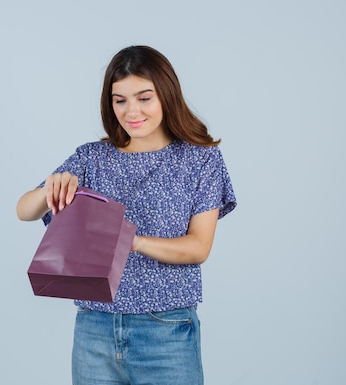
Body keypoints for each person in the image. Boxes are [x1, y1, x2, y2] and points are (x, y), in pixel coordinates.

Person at [16, 45, 237, 385]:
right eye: (120, 100)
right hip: (95, 328)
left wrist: (130, 241)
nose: (131, 110)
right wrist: (50, 188)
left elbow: (197, 247)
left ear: (166, 95)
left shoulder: (200, 160)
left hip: (167, 330)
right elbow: (24, 210)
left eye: (144, 98)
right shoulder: (92, 158)